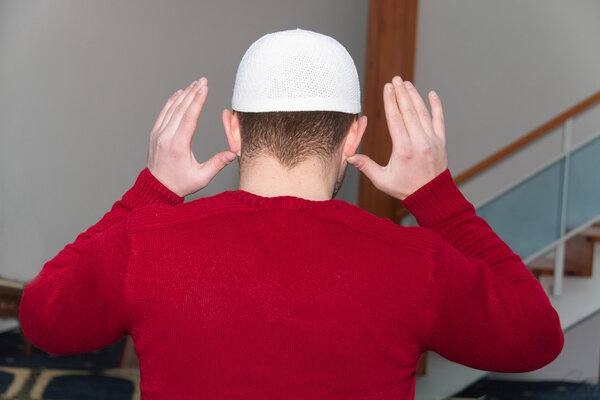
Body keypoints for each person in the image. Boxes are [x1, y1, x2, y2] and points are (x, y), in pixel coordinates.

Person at [20, 29, 563, 399]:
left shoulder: (144, 243)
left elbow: (44, 317)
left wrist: (153, 189)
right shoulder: (417, 264)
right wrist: (437, 199)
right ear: (354, 135)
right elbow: (536, 335)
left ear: (233, 127)